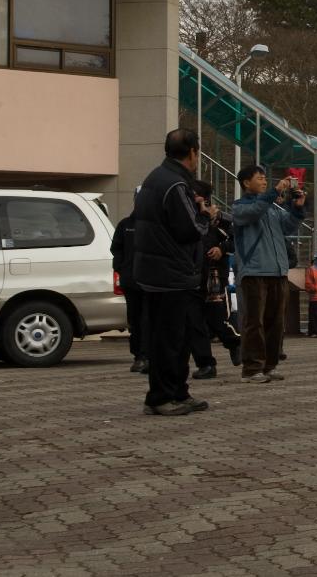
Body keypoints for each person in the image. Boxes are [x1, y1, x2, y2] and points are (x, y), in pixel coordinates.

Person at [133, 128, 216, 416]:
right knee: (170, 339)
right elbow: (190, 230)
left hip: (154, 271)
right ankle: (161, 397)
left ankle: (178, 392)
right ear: (193, 152)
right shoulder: (176, 185)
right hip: (171, 273)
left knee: (171, 337)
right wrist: (205, 214)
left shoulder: (154, 178)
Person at [232, 165, 306, 383]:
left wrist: (297, 208)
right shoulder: (239, 206)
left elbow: (289, 227)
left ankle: (270, 365)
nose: (264, 181)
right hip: (254, 271)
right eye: (260, 178)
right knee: (254, 321)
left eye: (266, 178)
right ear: (246, 183)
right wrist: (274, 192)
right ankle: (251, 368)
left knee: (275, 322)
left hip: (278, 271)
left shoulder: (272, 208)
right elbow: (253, 212)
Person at [186, 180, 241, 379]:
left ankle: (234, 342)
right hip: (190, 276)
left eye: (195, 195)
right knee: (194, 322)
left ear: (205, 198)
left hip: (214, 277)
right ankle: (206, 365)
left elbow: (236, 240)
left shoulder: (221, 219)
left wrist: (222, 249)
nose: (192, 199)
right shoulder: (187, 217)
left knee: (217, 320)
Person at [111, 205, 148, 374]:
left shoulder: (156, 224)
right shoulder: (125, 224)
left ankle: (151, 355)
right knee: (135, 320)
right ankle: (139, 357)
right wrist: (121, 268)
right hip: (131, 281)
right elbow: (116, 248)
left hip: (153, 281)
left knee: (151, 319)